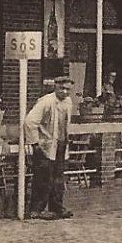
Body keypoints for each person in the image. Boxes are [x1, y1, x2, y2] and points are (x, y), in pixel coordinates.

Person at [24, 75, 77, 219]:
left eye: (68, 89)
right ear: (55, 87)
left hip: (61, 144)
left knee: (58, 178)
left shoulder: (68, 102)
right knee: (43, 177)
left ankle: (57, 207)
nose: (65, 92)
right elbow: (30, 122)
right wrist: (34, 143)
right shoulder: (46, 101)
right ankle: (36, 209)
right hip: (44, 145)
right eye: (62, 88)